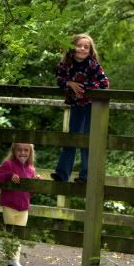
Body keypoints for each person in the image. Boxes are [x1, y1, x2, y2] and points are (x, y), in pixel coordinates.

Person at [50, 33, 109, 184]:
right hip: (76, 105)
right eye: (79, 46)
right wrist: (70, 84)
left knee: (88, 139)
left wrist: (83, 87)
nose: (82, 49)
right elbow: (59, 79)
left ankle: (86, 176)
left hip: (91, 106)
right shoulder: (65, 64)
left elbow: (104, 84)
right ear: (72, 47)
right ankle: (62, 174)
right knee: (72, 138)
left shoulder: (92, 64)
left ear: (90, 51)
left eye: (86, 47)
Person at [0, 143, 40, 266]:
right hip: (9, 206)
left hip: (24, 208)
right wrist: (8, 176)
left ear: (30, 152)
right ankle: (11, 260)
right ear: (14, 151)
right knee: (10, 233)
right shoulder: (9, 165)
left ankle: (14, 261)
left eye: (26, 150)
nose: (23, 153)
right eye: (19, 150)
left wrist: (36, 183)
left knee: (19, 234)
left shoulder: (31, 169)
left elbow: (30, 194)